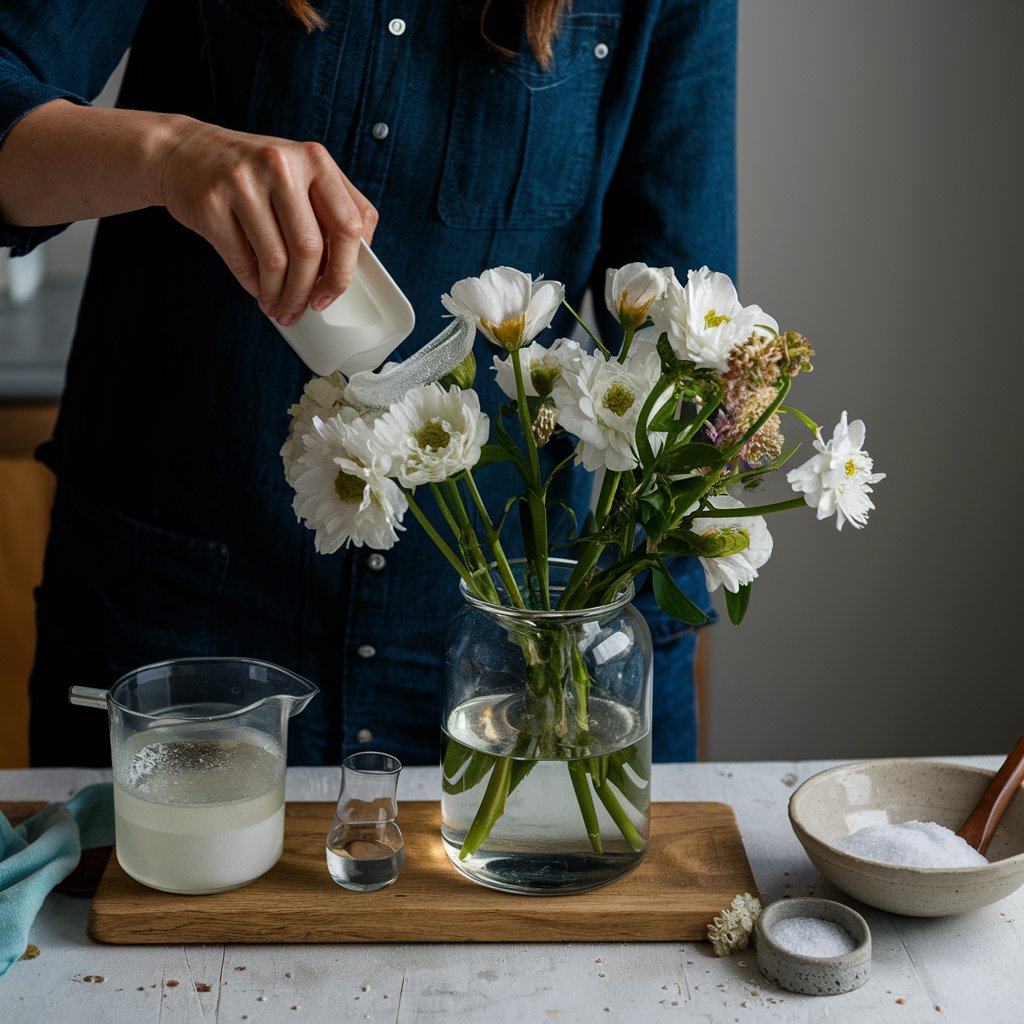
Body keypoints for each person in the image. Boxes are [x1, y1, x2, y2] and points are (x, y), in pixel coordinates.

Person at [0, 0, 737, 768]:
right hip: (172, 632)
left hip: (496, 659)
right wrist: (169, 151)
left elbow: (676, 364)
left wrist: (652, 735)